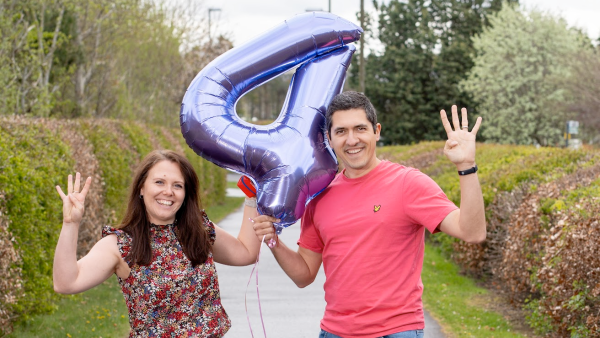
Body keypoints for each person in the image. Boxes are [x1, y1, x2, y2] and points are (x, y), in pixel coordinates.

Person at [252, 91, 486, 338]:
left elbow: (472, 232)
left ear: (377, 131)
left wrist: (466, 166)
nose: (352, 140)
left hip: (396, 331)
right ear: (329, 139)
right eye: (341, 131)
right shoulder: (319, 197)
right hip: (335, 332)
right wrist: (274, 242)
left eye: (360, 128)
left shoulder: (408, 183)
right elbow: (304, 275)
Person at [53, 149, 277, 337]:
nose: (168, 192)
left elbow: (246, 252)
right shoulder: (121, 243)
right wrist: (71, 223)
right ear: (141, 188)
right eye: (159, 182)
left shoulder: (198, 229)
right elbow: (66, 283)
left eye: (177, 185)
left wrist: (252, 196)